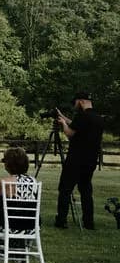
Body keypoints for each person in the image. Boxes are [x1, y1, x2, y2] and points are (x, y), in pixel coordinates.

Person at [55, 91, 104, 229]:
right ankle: (89, 222)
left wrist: (63, 124)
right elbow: (77, 126)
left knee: (65, 189)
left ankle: (61, 220)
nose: (75, 105)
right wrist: (64, 117)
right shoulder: (98, 118)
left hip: (75, 159)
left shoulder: (82, 116)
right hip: (90, 161)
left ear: (81, 101)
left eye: (75, 102)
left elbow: (70, 133)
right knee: (86, 191)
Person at [0, 146, 38, 232]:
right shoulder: (33, 181)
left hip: (10, 227)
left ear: (8, 164)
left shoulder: (5, 182)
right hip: (31, 226)